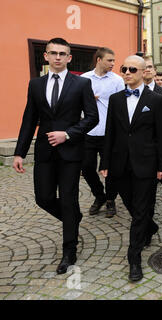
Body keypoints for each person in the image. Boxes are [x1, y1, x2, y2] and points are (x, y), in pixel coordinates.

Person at [13, 38, 99, 274]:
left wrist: (68, 134)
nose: (58, 57)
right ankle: (73, 219)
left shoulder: (81, 84)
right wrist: (19, 152)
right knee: (44, 198)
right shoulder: (35, 85)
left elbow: (92, 117)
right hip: (44, 152)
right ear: (46, 56)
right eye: (54, 53)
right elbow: (29, 119)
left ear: (69, 58)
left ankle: (69, 250)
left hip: (71, 151)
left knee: (69, 199)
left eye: (63, 53)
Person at [100, 55, 162, 282]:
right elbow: (109, 131)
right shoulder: (116, 99)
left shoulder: (156, 100)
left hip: (146, 164)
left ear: (142, 72)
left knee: (139, 211)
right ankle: (150, 226)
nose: (126, 73)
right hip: (120, 163)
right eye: (123, 69)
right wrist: (105, 162)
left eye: (131, 69)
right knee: (130, 204)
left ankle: (134, 258)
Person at [81, 47, 124, 218]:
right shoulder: (84, 79)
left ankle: (111, 200)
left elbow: (121, 106)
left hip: (109, 133)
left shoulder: (117, 80)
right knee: (86, 168)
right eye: (109, 60)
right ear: (99, 60)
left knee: (111, 170)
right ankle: (100, 196)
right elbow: (75, 104)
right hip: (88, 132)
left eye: (114, 60)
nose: (113, 64)